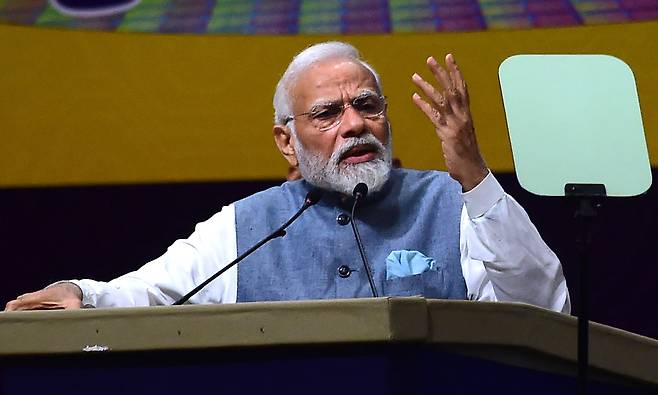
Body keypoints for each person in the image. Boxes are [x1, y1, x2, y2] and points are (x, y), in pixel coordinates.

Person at [4, 41, 570, 313]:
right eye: (327, 113)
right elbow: (152, 293)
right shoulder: (245, 226)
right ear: (286, 141)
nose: (355, 124)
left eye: (368, 105)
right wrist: (81, 294)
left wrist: (473, 172)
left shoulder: (453, 202)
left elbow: (544, 307)